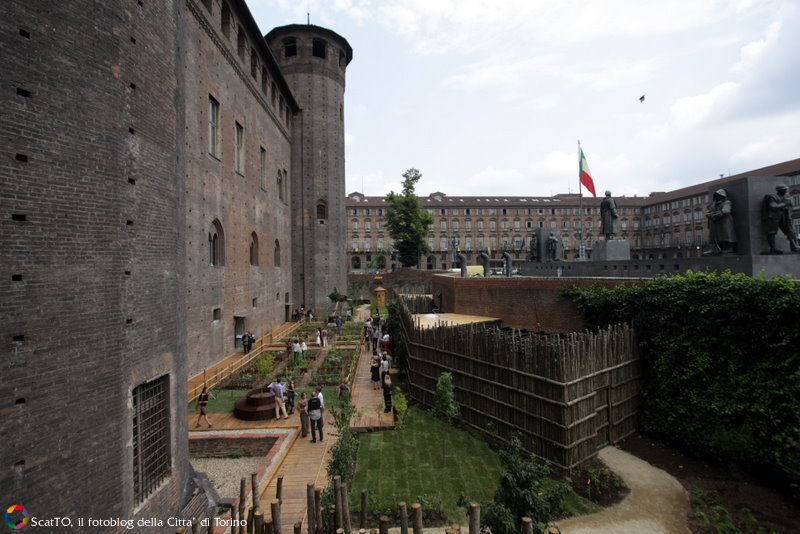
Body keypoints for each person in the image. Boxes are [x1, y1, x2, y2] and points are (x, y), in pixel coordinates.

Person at [762, 184, 799, 253]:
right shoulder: (773, 197)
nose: (786, 191)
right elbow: (772, 206)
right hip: (773, 217)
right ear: (780, 190)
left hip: (784, 217)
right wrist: (784, 204)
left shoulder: (786, 197)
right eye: (785, 190)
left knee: (791, 231)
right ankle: (773, 248)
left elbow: (789, 207)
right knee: (772, 232)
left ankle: (794, 246)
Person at [706, 188, 736, 254]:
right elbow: (709, 211)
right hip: (716, 222)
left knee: (726, 235)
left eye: (719, 195)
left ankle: (730, 248)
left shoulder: (726, 202)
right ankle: (718, 249)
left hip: (725, 221)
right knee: (718, 237)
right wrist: (709, 214)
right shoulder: (714, 204)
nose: (718, 197)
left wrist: (719, 213)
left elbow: (726, 210)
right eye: (716, 195)